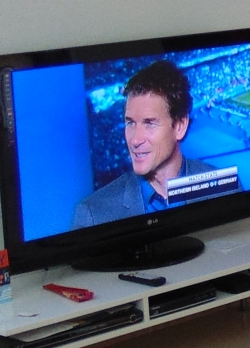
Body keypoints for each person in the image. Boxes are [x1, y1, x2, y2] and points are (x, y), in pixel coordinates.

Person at [72, 59, 220, 228]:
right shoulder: (93, 214)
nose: (135, 140)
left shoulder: (223, 188)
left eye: (149, 123)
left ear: (180, 126)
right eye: (130, 123)